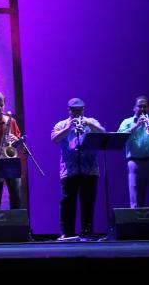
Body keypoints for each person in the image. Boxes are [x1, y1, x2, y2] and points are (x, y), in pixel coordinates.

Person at [51, 98, 106, 239]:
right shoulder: (62, 124)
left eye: (80, 111)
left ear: (84, 110)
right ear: (69, 111)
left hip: (90, 169)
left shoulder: (91, 122)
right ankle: (67, 233)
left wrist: (89, 124)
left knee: (88, 201)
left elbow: (103, 133)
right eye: (74, 111)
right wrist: (68, 128)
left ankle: (87, 231)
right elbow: (54, 139)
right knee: (68, 202)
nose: (77, 114)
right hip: (69, 170)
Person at [117, 95, 149, 208]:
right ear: (134, 108)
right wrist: (137, 125)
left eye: (145, 106)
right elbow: (120, 137)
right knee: (136, 198)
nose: (142, 109)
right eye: (139, 106)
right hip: (135, 163)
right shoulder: (127, 122)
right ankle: (137, 224)